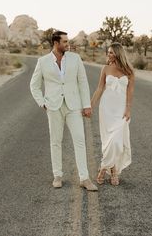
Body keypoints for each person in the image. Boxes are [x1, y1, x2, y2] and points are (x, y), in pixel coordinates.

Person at [30, 30, 98, 191]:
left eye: (68, 41)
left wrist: (86, 105)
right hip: (53, 106)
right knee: (55, 141)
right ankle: (57, 176)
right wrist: (42, 103)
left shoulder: (75, 59)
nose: (68, 44)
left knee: (80, 139)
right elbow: (34, 85)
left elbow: (82, 82)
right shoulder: (43, 61)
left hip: (73, 105)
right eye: (65, 42)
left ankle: (84, 178)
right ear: (56, 43)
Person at [91, 42, 134, 186]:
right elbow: (99, 89)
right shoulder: (105, 69)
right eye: (108, 52)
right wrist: (90, 105)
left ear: (117, 53)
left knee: (117, 142)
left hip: (121, 109)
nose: (108, 55)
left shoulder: (129, 71)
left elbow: (130, 92)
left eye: (110, 52)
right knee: (108, 141)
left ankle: (103, 168)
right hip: (106, 108)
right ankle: (114, 172)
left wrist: (128, 109)